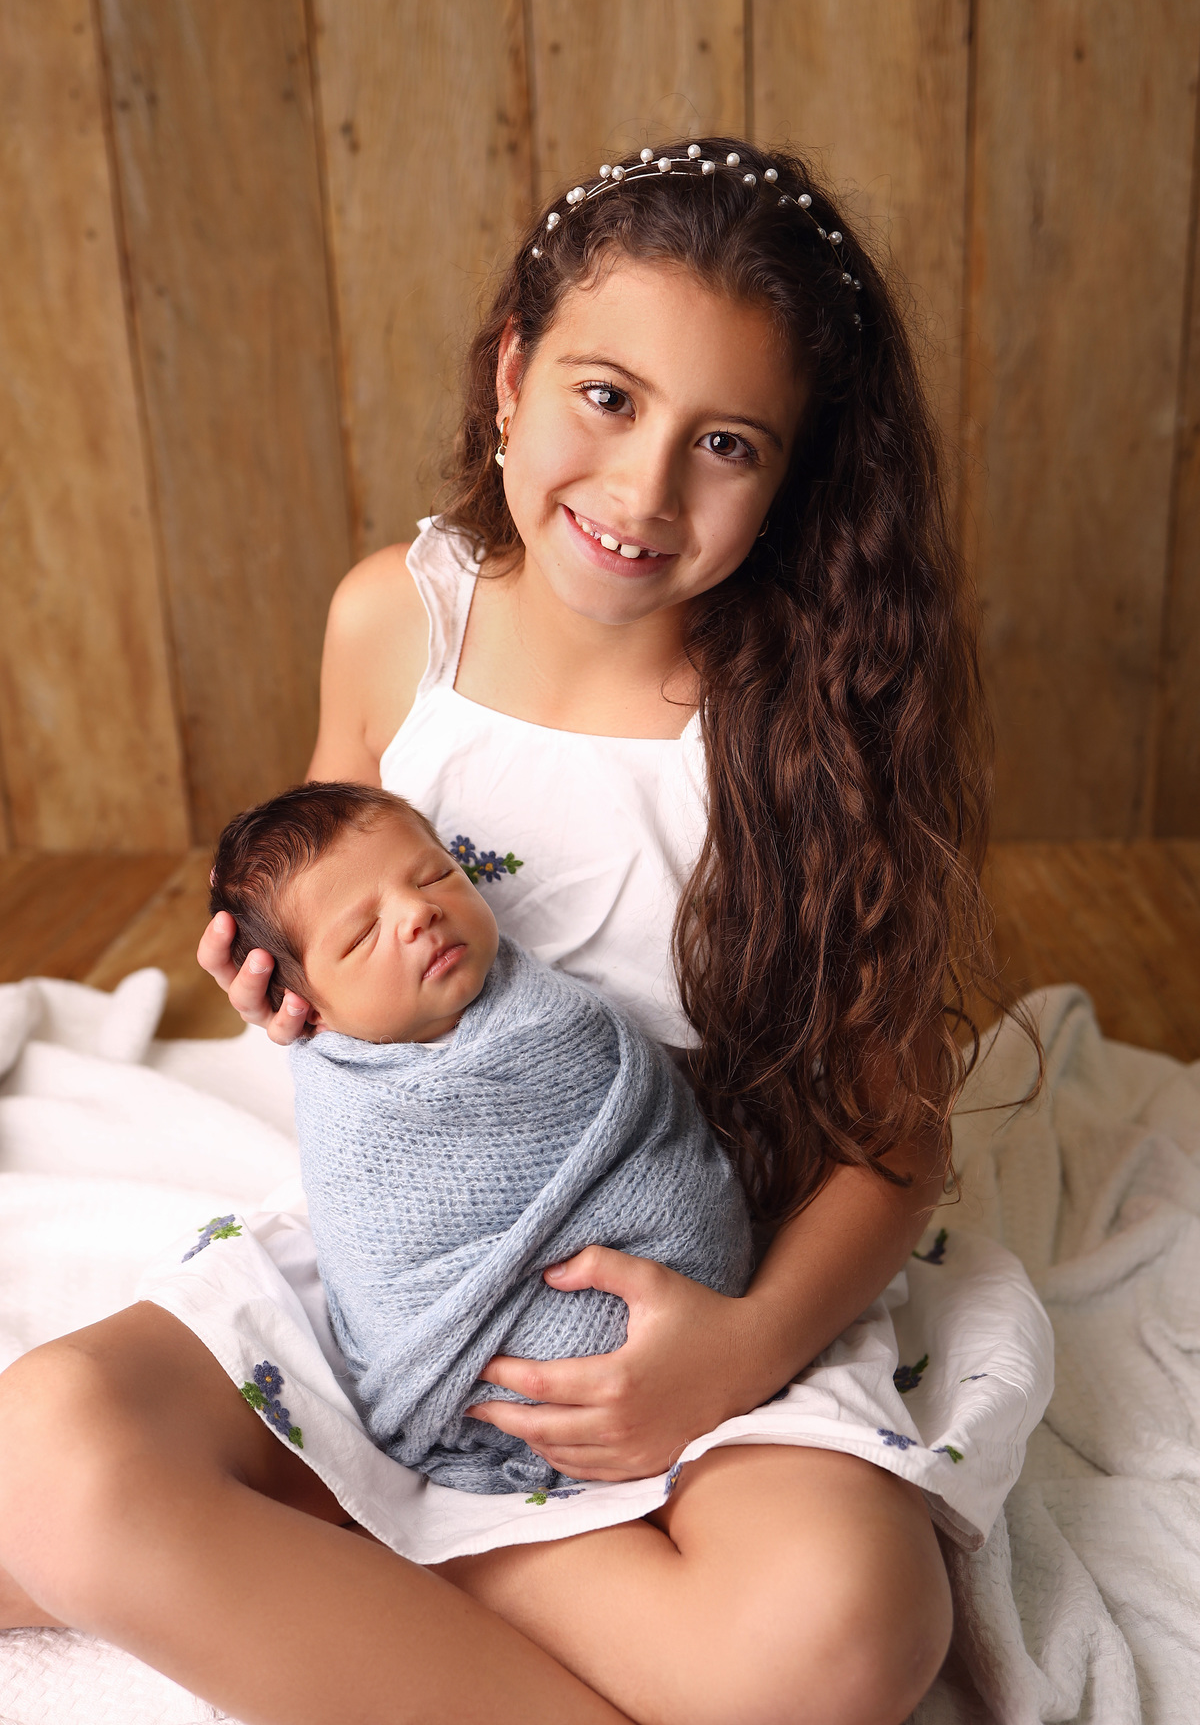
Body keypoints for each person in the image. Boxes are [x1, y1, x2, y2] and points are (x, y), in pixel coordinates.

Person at [0, 137, 1053, 1725]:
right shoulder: (395, 620)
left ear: (795, 475)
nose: (643, 492)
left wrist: (737, 1350)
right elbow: (327, 905)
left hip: (695, 1290)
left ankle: (337, 1535)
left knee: (847, 1634)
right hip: (413, 1279)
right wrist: (292, 991)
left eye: (727, 444)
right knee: (45, 1456)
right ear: (512, 374)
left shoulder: (814, 716)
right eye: (606, 398)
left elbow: (896, 1140)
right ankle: (445, 1558)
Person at [207, 779, 751, 1494]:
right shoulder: (350, 1103)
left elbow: (653, 1155)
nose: (419, 912)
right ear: (309, 1007)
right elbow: (382, 1260)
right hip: (468, 1356)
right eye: (363, 934)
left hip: (687, 1319)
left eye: (436, 875)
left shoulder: (551, 1019)